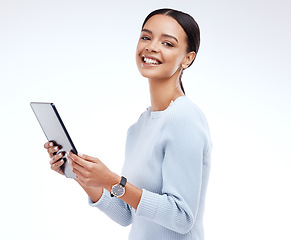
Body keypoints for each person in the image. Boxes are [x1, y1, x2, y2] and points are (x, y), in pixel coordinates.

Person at [45, 8, 211, 240]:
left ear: (188, 58)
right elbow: (126, 214)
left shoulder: (184, 117)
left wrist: (112, 180)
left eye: (168, 43)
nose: (151, 47)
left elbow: (181, 218)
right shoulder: (139, 127)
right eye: (146, 37)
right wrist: (82, 175)